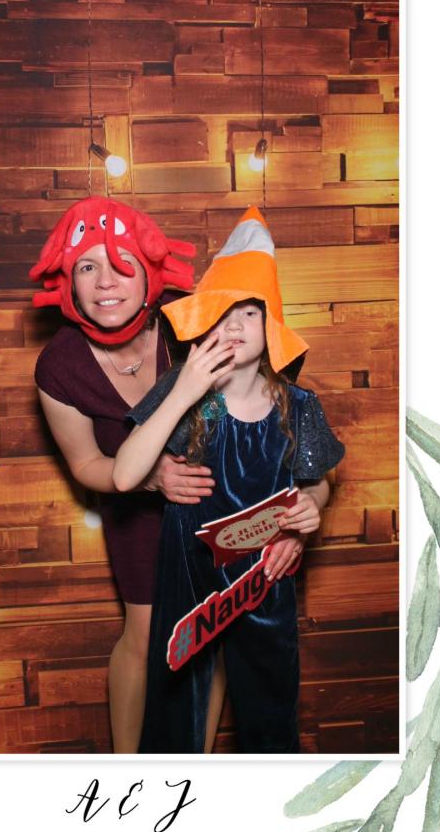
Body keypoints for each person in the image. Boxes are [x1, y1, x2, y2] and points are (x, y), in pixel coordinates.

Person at [113, 207, 345, 754]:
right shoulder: (185, 394)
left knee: (270, 707)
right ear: (203, 323)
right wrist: (183, 392)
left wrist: (310, 507)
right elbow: (124, 475)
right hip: (189, 575)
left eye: (249, 312)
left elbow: (319, 481)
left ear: (272, 327)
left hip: (266, 573)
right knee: (178, 705)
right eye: (223, 312)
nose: (235, 325)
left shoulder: (298, 404)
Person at [30, 195, 215, 753]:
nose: (106, 281)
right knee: (143, 635)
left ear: (149, 270)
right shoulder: (59, 366)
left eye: (122, 262)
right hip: (135, 509)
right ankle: (126, 766)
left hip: (215, 498)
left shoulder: (191, 321)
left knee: (213, 630)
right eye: (88, 266)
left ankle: (200, 765)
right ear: (68, 281)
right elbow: (86, 464)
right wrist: (151, 477)